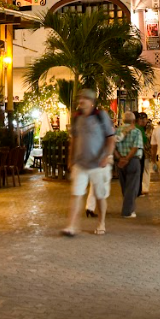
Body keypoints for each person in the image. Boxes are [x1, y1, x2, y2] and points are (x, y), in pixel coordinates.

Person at [62, 89, 115, 237]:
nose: (81, 101)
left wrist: (106, 156)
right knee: (76, 194)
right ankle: (72, 225)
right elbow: (74, 139)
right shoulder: (76, 117)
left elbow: (111, 138)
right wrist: (70, 159)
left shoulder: (101, 116)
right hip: (80, 163)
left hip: (98, 163)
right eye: (80, 98)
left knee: (100, 196)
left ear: (91, 102)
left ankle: (101, 222)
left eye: (84, 98)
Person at [114, 111, 144, 218]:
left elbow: (113, 147)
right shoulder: (136, 131)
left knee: (124, 185)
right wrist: (127, 159)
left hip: (120, 162)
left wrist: (120, 158)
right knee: (132, 187)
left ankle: (129, 207)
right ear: (133, 121)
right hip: (133, 161)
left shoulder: (117, 131)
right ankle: (127, 211)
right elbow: (135, 147)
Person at [137, 112, 151, 196]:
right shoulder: (138, 128)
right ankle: (140, 188)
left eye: (144, 119)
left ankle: (145, 188)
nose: (142, 121)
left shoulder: (149, 128)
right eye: (141, 119)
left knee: (146, 170)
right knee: (141, 170)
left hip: (147, 152)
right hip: (140, 152)